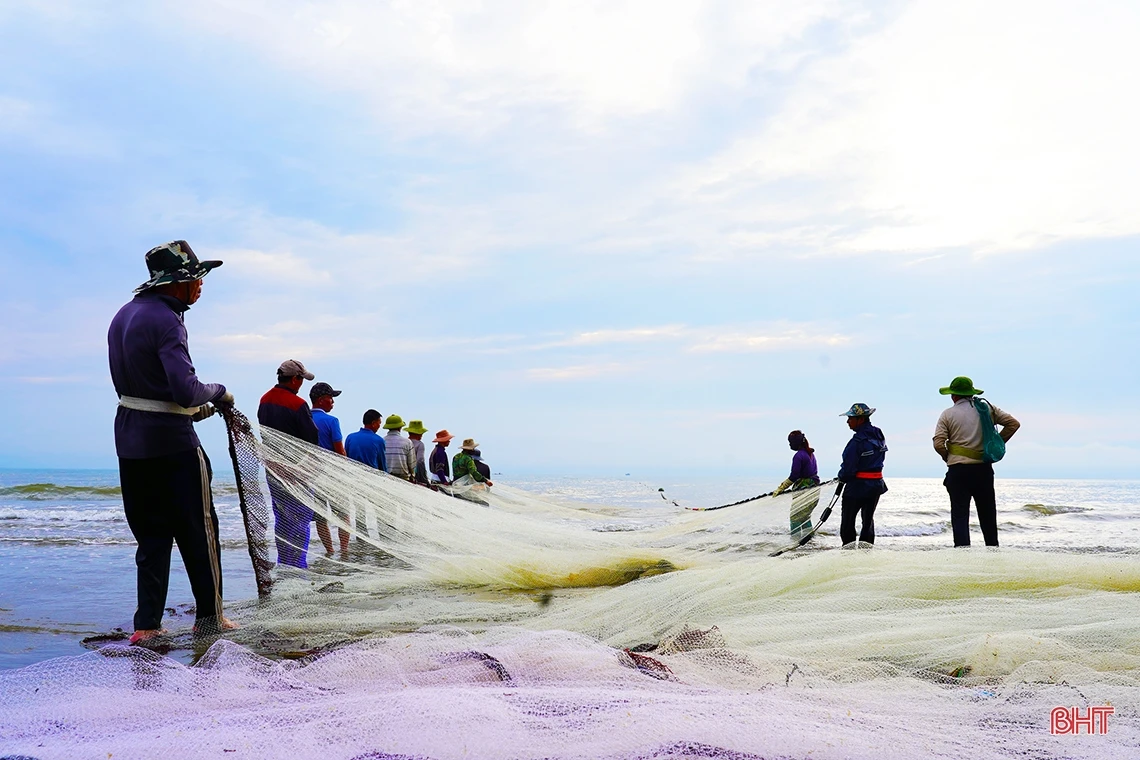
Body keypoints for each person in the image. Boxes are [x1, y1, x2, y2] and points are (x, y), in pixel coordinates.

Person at [107, 240, 237, 643]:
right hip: (174, 445)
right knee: (199, 531)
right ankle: (211, 618)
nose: (200, 286)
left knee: (151, 537)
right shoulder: (167, 320)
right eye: (196, 278)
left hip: (130, 441)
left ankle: (146, 625)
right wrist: (219, 392)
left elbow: (146, 386)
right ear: (176, 282)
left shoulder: (122, 316)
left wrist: (188, 403)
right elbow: (184, 390)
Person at [933, 376, 1021, 547]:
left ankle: (963, 555)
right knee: (988, 514)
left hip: (958, 471)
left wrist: (947, 457)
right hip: (983, 470)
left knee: (960, 516)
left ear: (954, 396)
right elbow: (1013, 424)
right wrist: (995, 445)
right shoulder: (987, 409)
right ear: (970, 393)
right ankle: (993, 553)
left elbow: (938, 443)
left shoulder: (948, 414)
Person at [257, 359, 320, 568]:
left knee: (283, 520)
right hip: (297, 471)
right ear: (294, 379)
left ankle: (285, 565)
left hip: (273, 470)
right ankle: (298, 569)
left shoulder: (264, 400)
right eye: (301, 379)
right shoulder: (298, 404)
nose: (302, 384)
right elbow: (311, 439)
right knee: (301, 520)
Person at [836, 403, 888, 545]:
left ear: (860, 419)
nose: (848, 421)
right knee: (868, 521)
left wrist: (841, 476)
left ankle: (848, 553)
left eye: (850, 418)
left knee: (848, 521)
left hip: (857, 488)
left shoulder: (856, 442)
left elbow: (848, 470)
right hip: (876, 486)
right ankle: (866, 552)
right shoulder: (878, 434)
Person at [310, 381, 349, 555]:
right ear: (320, 400)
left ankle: (330, 551)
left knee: (320, 517)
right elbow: (339, 450)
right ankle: (345, 551)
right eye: (331, 399)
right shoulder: (332, 421)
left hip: (312, 476)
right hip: (333, 476)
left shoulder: (305, 418)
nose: (333, 402)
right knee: (344, 515)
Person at [773, 430, 820, 495]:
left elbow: (794, 476)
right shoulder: (810, 453)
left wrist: (781, 488)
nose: (790, 444)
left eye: (791, 442)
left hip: (804, 487)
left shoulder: (798, 456)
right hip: (815, 485)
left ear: (796, 443)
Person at [382, 414, 416, 481]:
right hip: (403, 478)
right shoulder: (407, 442)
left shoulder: (382, 441)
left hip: (385, 477)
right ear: (400, 427)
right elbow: (411, 464)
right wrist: (413, 476)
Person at [406, 420, 430, 485]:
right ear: (418, 434)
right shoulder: (420, 444)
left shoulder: (405, 442)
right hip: (414, 473)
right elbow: (420, 461)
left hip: (404, 471)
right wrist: (424, 478)